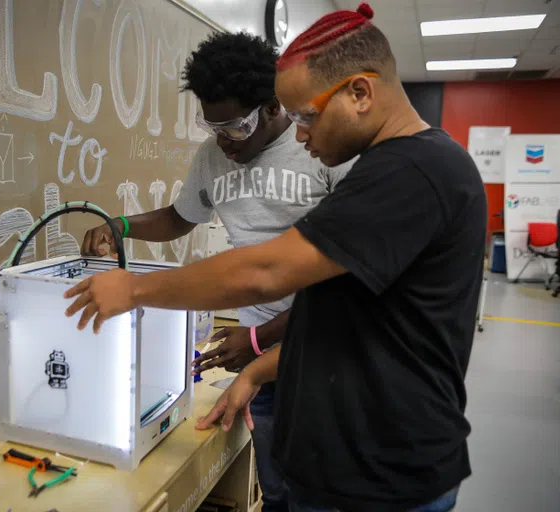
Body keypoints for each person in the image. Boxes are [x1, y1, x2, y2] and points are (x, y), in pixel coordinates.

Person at [66, 3, 487, 511]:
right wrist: (257, 373)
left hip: (380, 480)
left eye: (307, 116)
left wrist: (133, 290)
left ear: (360, 92)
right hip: (339, 459)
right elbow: (342, 309)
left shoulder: (413, 173)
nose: (302, 134)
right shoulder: (395, 166)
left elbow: (270, 271)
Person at [80, 31, 351, 512]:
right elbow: (179, 218)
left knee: (324, 490)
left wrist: (258, 339)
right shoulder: (213, 157)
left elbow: (342, 278)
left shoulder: (321, 151)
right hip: (256, 354)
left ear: (273, 109)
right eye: (214, 127)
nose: (225, 141)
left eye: (237, 127)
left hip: (321, 348)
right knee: (278, 489)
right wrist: (118, 225)